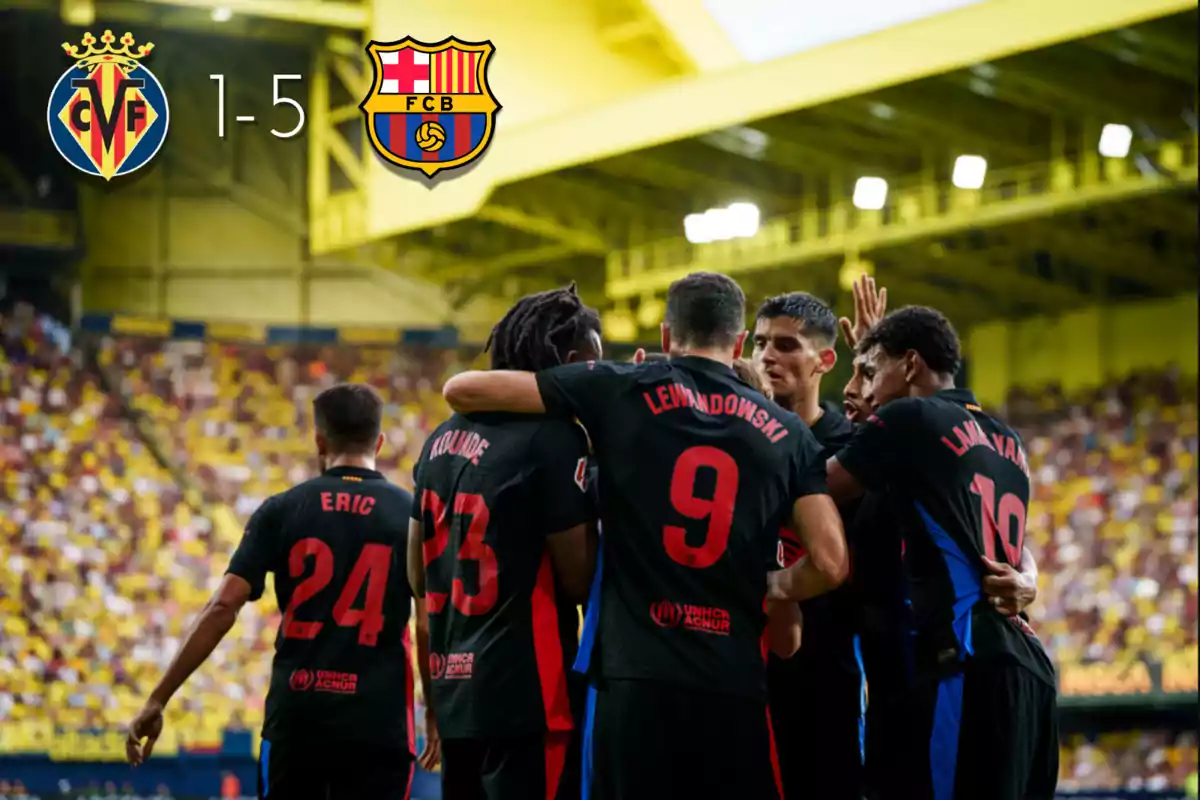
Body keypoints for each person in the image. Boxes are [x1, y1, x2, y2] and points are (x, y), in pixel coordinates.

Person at [441, 271, 847, 800]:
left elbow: (463, 389)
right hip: (732, 680)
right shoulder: (787, 432)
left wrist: (584, 390)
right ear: (739, 342)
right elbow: (831, 563)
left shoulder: (620, 388)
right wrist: (771, 584)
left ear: (664, 335)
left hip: (635, 677)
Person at [773, 305, 1058, 800]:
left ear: (908, 366)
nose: (855, 387)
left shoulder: (910, 418)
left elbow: (818, 489)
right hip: (1029, 665)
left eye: (869, 370)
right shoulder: (1006, 439)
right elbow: (999, 544)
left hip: (964, 658)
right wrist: (1031, 576)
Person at [126, 383, 429, 800]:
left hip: (297, 719)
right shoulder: (410, 514)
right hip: (379, 723)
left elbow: (223, 606)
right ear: (379, 441)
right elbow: (428, 623)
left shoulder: (281, 509)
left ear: (319, 441)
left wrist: (159, 698)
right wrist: (434, 714)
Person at [408, 284, 602, 800]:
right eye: (590, 364)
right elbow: (579, 578)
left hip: (454, 691)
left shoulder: (436, 442)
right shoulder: (555, 438)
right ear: (565, 362)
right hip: (529, 692)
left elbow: (417, 575)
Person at [751, 290, 863, 800]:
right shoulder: (735, 436)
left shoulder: (856, 447)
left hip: (827, 677)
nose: (767, 356)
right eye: (759, 344)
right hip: (743, 677)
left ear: (825, 360)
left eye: (786, 345)